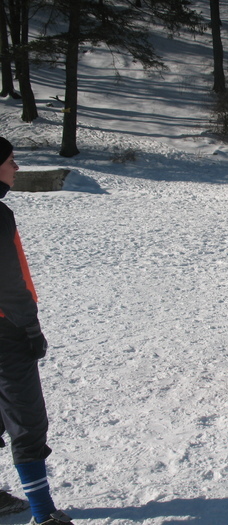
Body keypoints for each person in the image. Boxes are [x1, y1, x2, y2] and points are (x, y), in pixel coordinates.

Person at [0, 137, 74, 524]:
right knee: (27, 420)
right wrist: (30, 328)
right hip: (5, 330)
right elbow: (9, 282)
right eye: (10, 161)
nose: (15, 168)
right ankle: (44, 515)